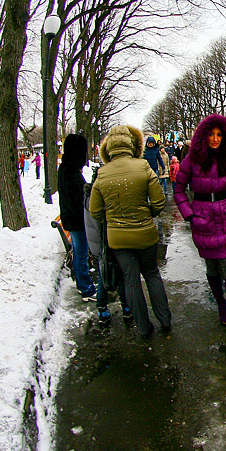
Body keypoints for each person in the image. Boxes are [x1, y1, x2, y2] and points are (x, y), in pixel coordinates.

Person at [90, 125, 171, 336]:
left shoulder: (102, 173)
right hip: (145, 233)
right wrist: (147, 214)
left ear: (107, 148)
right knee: (152, 274)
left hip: (118, 239)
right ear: (133, 145)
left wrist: (113, 220)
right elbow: (159, 201)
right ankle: (165, 319)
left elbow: (95, 211)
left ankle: (143, 327)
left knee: (130, 280)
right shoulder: (143, 166)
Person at [175, 114, 226, 335]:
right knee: (212, 267)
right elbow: (179, 190)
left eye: (219, 135)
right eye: (211, 135)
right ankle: (221, 305)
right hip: (203, 217)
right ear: (203, 137)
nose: (215, 139)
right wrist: (190, 215)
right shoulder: (192, 161)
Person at [83, 166, 130, 326]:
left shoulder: (88, 194)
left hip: (96, 243)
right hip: (106, 243)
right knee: (118, 275)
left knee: (104, 275)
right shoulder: (98, 197)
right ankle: (125, 307)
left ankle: (103, 308)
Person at [58, 134, 96, 302]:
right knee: (80, 253)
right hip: (76, 220)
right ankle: (86, 288)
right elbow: (73, 198)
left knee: (81, 253)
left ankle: (84, 283)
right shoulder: (69, 171)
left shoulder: (69, 168)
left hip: (75, 218)